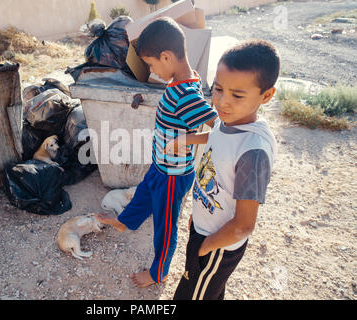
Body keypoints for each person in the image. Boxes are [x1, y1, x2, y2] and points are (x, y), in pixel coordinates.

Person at [96, 17, 218, 288]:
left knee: (165, 228)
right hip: (161, 166)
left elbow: (222, 130)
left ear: (166, 57)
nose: (151, 71)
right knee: (142, 195)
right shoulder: (186, 80)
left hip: (174, 175)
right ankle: (124, 222)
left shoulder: (186, 95)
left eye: (151, 64)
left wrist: (189, 138)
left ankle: (158, 273)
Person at [170, 39, 280, 300]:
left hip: (217, 246)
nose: (221, 102)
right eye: (218, 89)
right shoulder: (229, 121)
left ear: (266, 96)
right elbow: (218, 137)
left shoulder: (253, 151)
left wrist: (205, 246)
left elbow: (243, 225)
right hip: (205, 229)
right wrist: (189, 139)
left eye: (237, 95)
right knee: (209, 292)